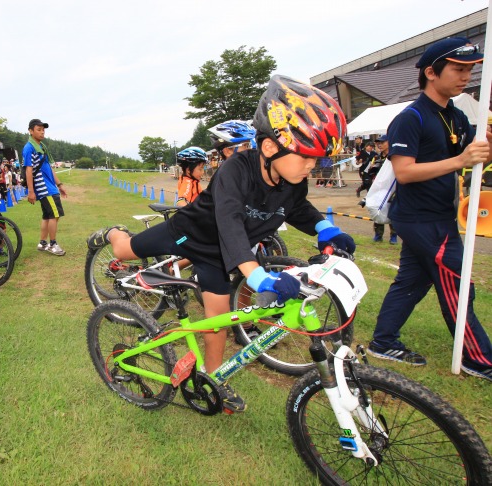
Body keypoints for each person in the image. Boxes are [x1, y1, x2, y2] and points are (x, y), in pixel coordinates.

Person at [87, 75, 355, 412]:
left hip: (217, 256)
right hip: (189, 233)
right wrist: (257, 277)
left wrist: (324, 229)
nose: (312, 166)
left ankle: (214, 379)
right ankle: (110, 232)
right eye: (307, 156)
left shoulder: (292, 179)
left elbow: (298, 208)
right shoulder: (235, 169)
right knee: (125, 250)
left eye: (317, 159)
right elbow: (229, 223)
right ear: (270, 147)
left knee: (217, 320)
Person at [368, 37, 492, 382]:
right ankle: (479, 359)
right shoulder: (410, 118)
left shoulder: (453, 115)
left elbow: (475, 154)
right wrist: (460, 160)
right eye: (458, 68)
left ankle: (382, 341)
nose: (466, 76)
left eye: (470, 69)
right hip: (421, 220)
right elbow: (404, 172)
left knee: (412, 282)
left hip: (440, 216)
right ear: (431, 72)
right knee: (458, 283)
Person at [23, 118, 68, 256]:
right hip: (44, 189)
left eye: (43, 130)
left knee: (47, 216)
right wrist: (31, 191)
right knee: (54, 215)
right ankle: (52, 244)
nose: (42, 132)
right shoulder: (29, 147)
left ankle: (42, 243)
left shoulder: (41, 147)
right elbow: (28, 170)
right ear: (31, 131)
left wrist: (59, 184)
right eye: (39, 129)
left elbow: (48, 168)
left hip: (51, 187)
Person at [368, 135, 398, 244]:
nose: (379, 145)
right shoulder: (376, 158)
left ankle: (393, 236)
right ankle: (378, 235)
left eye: (382, 142)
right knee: (377, 208)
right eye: (377, 143)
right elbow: (371, 172)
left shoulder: (394, 156)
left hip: (392, 188)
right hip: (378, 188)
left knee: (392, 210)